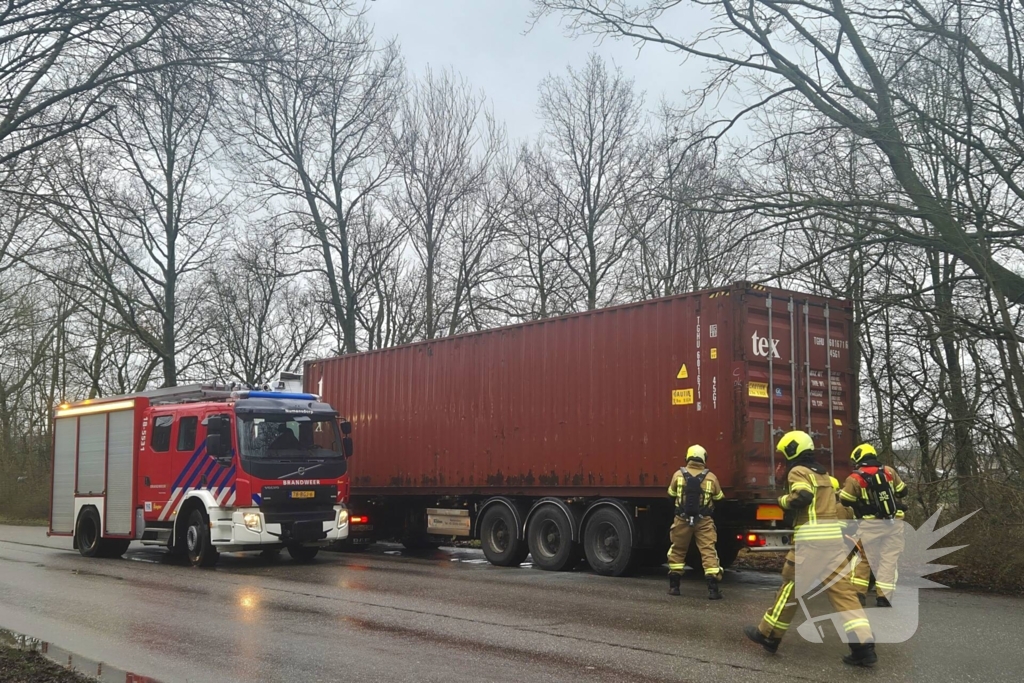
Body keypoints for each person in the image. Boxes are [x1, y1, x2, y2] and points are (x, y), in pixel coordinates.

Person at [744, 431, 877, 667]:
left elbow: (802, 496)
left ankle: (768, 634)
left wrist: (783, 501)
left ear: (792, 450)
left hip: (810, 544)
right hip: (833, 544)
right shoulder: (823, 474)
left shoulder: (798, 471)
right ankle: (863, 647)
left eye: (785, 453)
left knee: (791, 587)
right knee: (845, 593)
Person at [840, 443, 908, 608]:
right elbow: (902, 491)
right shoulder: (889, 471)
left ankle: (859, 595)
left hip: (870, 525)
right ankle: (884, 598)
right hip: (894, 523)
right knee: (888, 560)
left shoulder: (855, 478)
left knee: (863, 559)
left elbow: (845, 500)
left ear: (858, 459)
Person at [665, 444, 725, 600]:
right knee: (708, 551)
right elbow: (719, 498)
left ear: (688, 457)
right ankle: (713, 590)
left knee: (678, 550)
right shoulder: (711, 477)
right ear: (704, 458)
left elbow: (670, 495)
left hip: (681, 519)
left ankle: (674, 587)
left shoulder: (678, 475)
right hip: (704, 521)